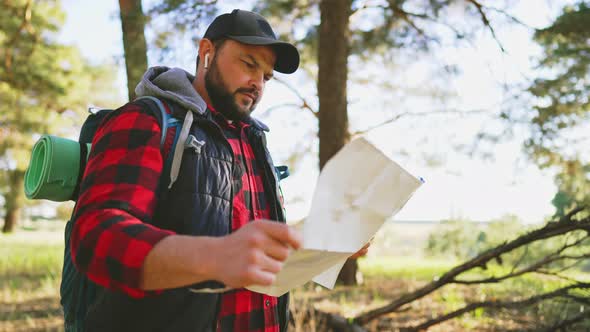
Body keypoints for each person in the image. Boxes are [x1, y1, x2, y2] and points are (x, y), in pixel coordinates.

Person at [70, 9, 368, 332]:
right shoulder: (147, 120)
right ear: (207, 53)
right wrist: (213, 257)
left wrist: (326, 245)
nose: (258, 83)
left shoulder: (256, 144)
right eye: (249, 64)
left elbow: (251, 254)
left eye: (266, 76)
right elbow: (95, 235)